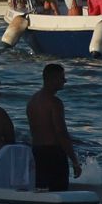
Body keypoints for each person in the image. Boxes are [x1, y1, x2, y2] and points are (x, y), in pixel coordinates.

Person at [27, 63, 81, 192]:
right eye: (62, 78)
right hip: (53, 153)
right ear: (52, 79)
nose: (65, 81)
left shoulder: (32, 101)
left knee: (41, 191)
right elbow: (61, 133)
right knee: (58, 191)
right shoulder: (54, 103)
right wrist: (74, 160)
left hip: (37, 151)